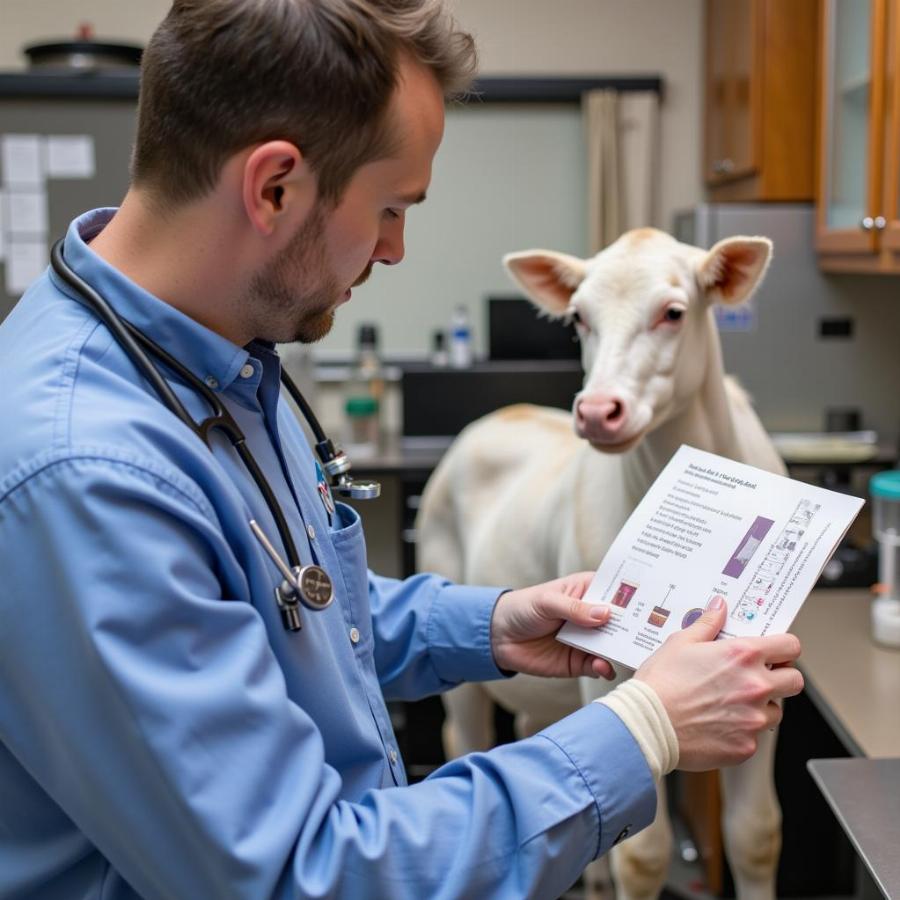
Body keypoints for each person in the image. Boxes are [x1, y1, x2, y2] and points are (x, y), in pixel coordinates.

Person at [0, 2, 804, 898]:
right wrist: (642, 729)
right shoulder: (88, 475)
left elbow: (283, 611)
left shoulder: (211, 360)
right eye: (390, 208)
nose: (396, 249)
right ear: (274, 188)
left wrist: (486, 626)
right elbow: (301, 877)